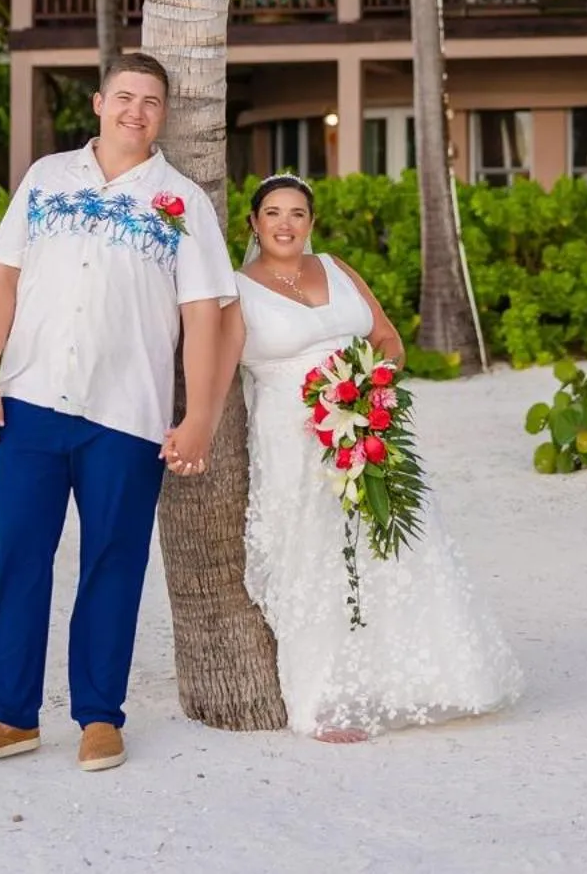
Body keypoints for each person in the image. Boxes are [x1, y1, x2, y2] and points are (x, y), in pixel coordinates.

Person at [0, 53, 236, 773]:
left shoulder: (182, 201)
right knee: (18, 557)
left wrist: (200, 416)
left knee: (113, 561)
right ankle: (9, 715)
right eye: (126, 96)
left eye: (152, 101)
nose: (137, 110)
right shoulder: (45, 178)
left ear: (163, 114)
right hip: (30, 403)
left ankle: (100, 715)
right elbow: (1, 283)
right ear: (100, 102)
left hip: (126, 416)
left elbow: (206, 316)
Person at [221, 174, 523, 742]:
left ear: (312, 223)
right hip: (291, 436)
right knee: (315, 556)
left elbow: (387, 338)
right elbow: (219, 369)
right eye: (273, 213)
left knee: (393, 542)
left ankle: (425, 678)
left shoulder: (336, 268)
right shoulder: (237, 289)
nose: (286, 224)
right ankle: (323, 701)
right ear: (253, 224)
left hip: (364, 423)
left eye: (298, 214)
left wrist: (368, 387)